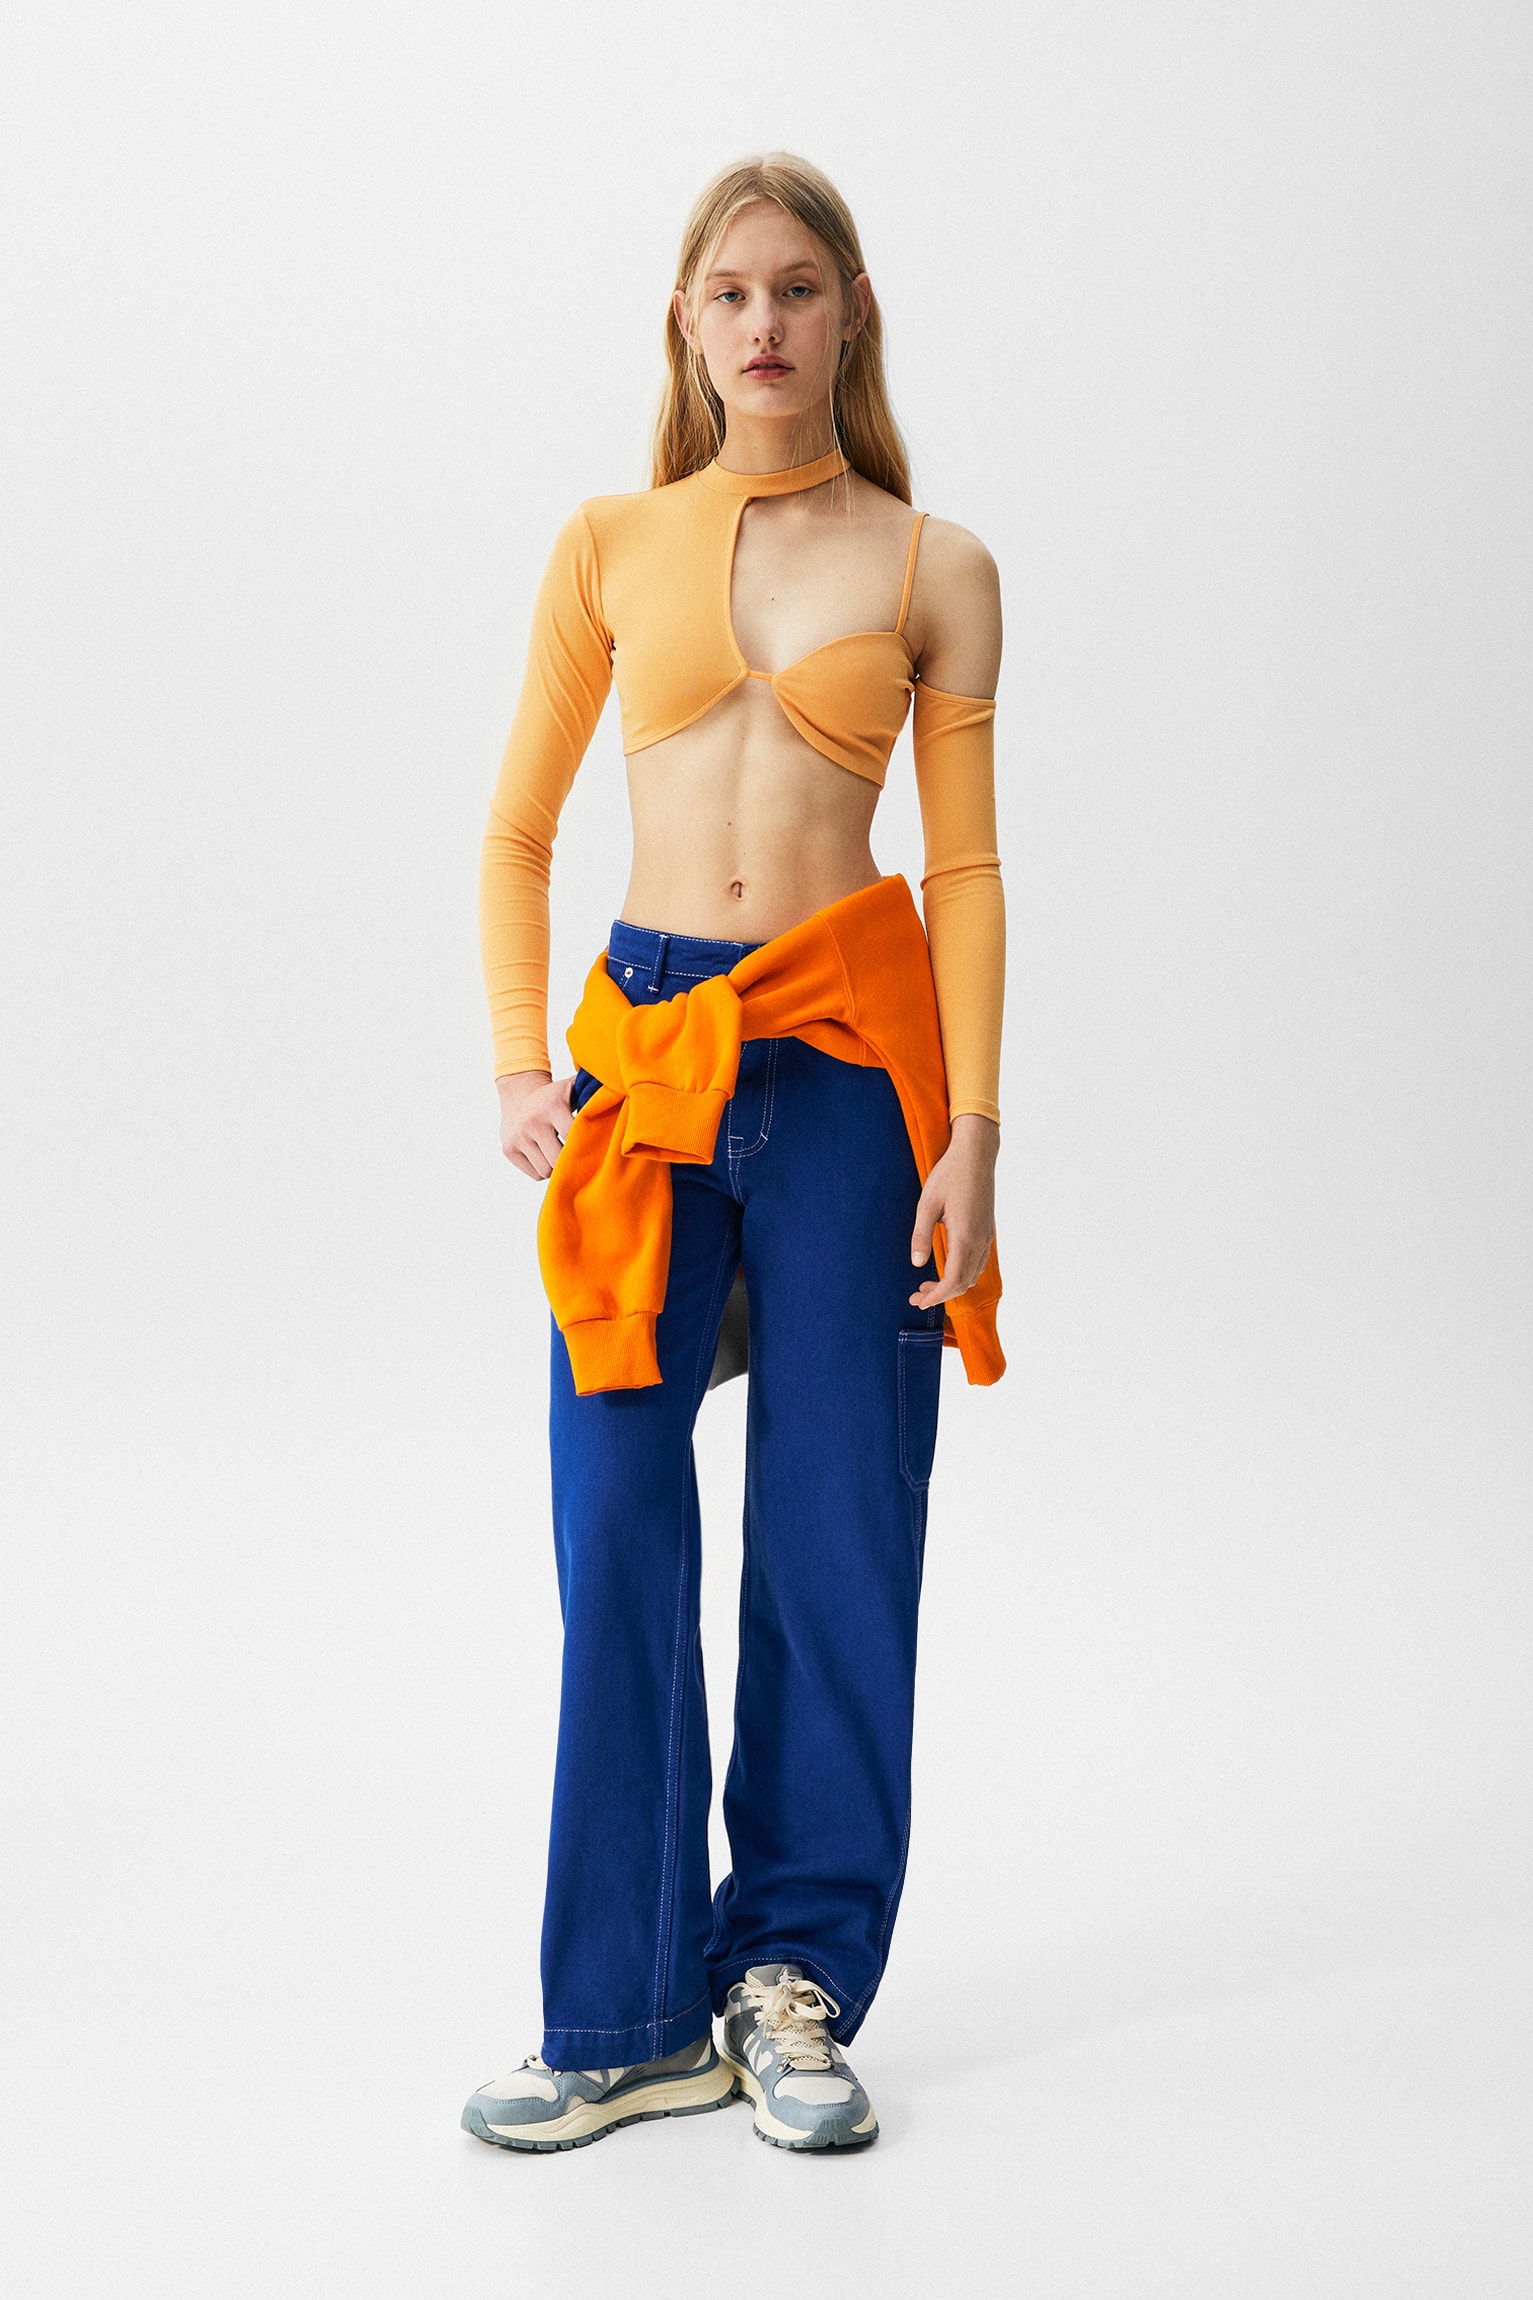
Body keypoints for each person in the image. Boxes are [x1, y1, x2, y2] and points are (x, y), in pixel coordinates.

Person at [462, 152, 1006, 2155]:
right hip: (649, 1063)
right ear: (684, 326)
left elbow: (963, 871)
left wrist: (973, 1130)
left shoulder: (934, 562)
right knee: (616, 1513)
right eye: (729, 293)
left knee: (835, 1527)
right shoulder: (610, 542)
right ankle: (623, 2012)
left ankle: (788, 1981)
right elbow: (516, 831)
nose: (763, 323)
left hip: (851, 1061)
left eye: (795, 287)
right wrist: (519, 1064)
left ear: (848, 311)